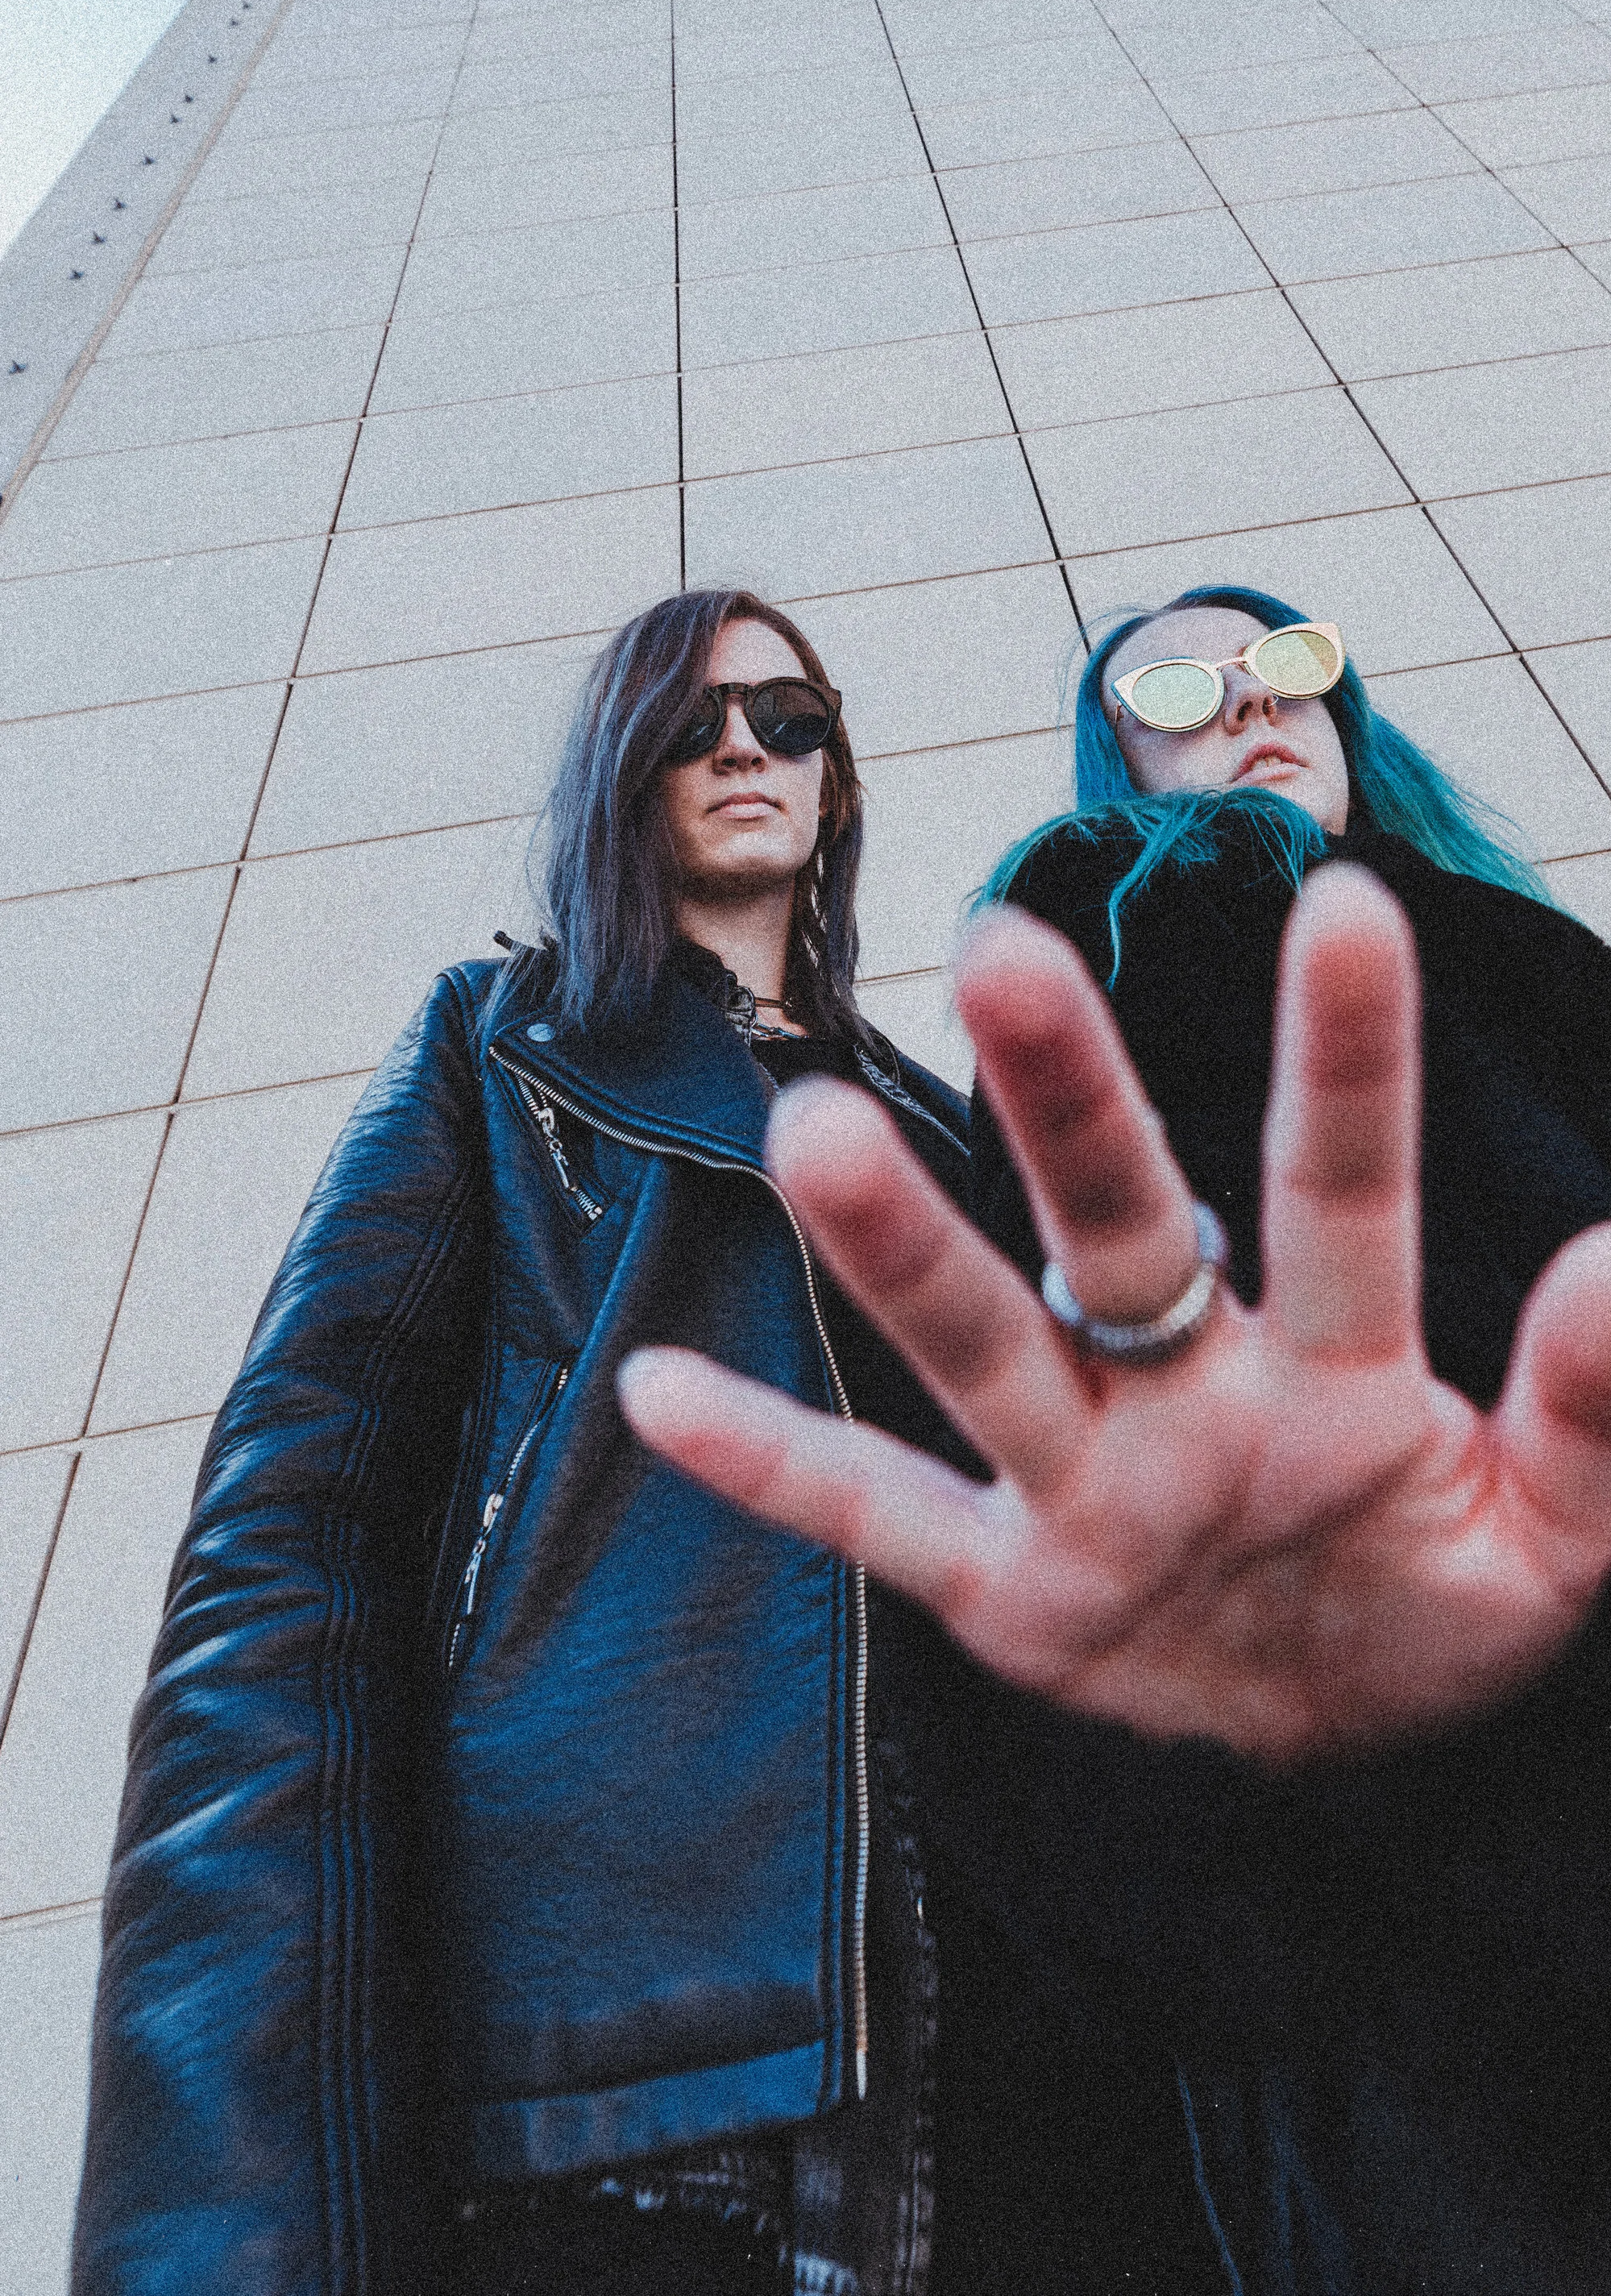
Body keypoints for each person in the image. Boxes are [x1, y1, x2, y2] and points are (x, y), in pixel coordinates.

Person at [622, 584, 1611, 2296]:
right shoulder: (1156, 912)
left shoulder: (1504, 955)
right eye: (1172, 689)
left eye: (1285, 663)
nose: (1244, 703)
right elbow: (1212, 1408)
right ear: (1117, 763)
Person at [73, 588, 976, 2296]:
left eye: (787, 717)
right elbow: (284, 1551)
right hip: (636, 2084)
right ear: (621, 773)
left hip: (1006, 2044)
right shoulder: (497, 1050)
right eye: (691, 720)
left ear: (836, 778)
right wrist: (218, 2208)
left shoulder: (948, 1134)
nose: (743, 746)